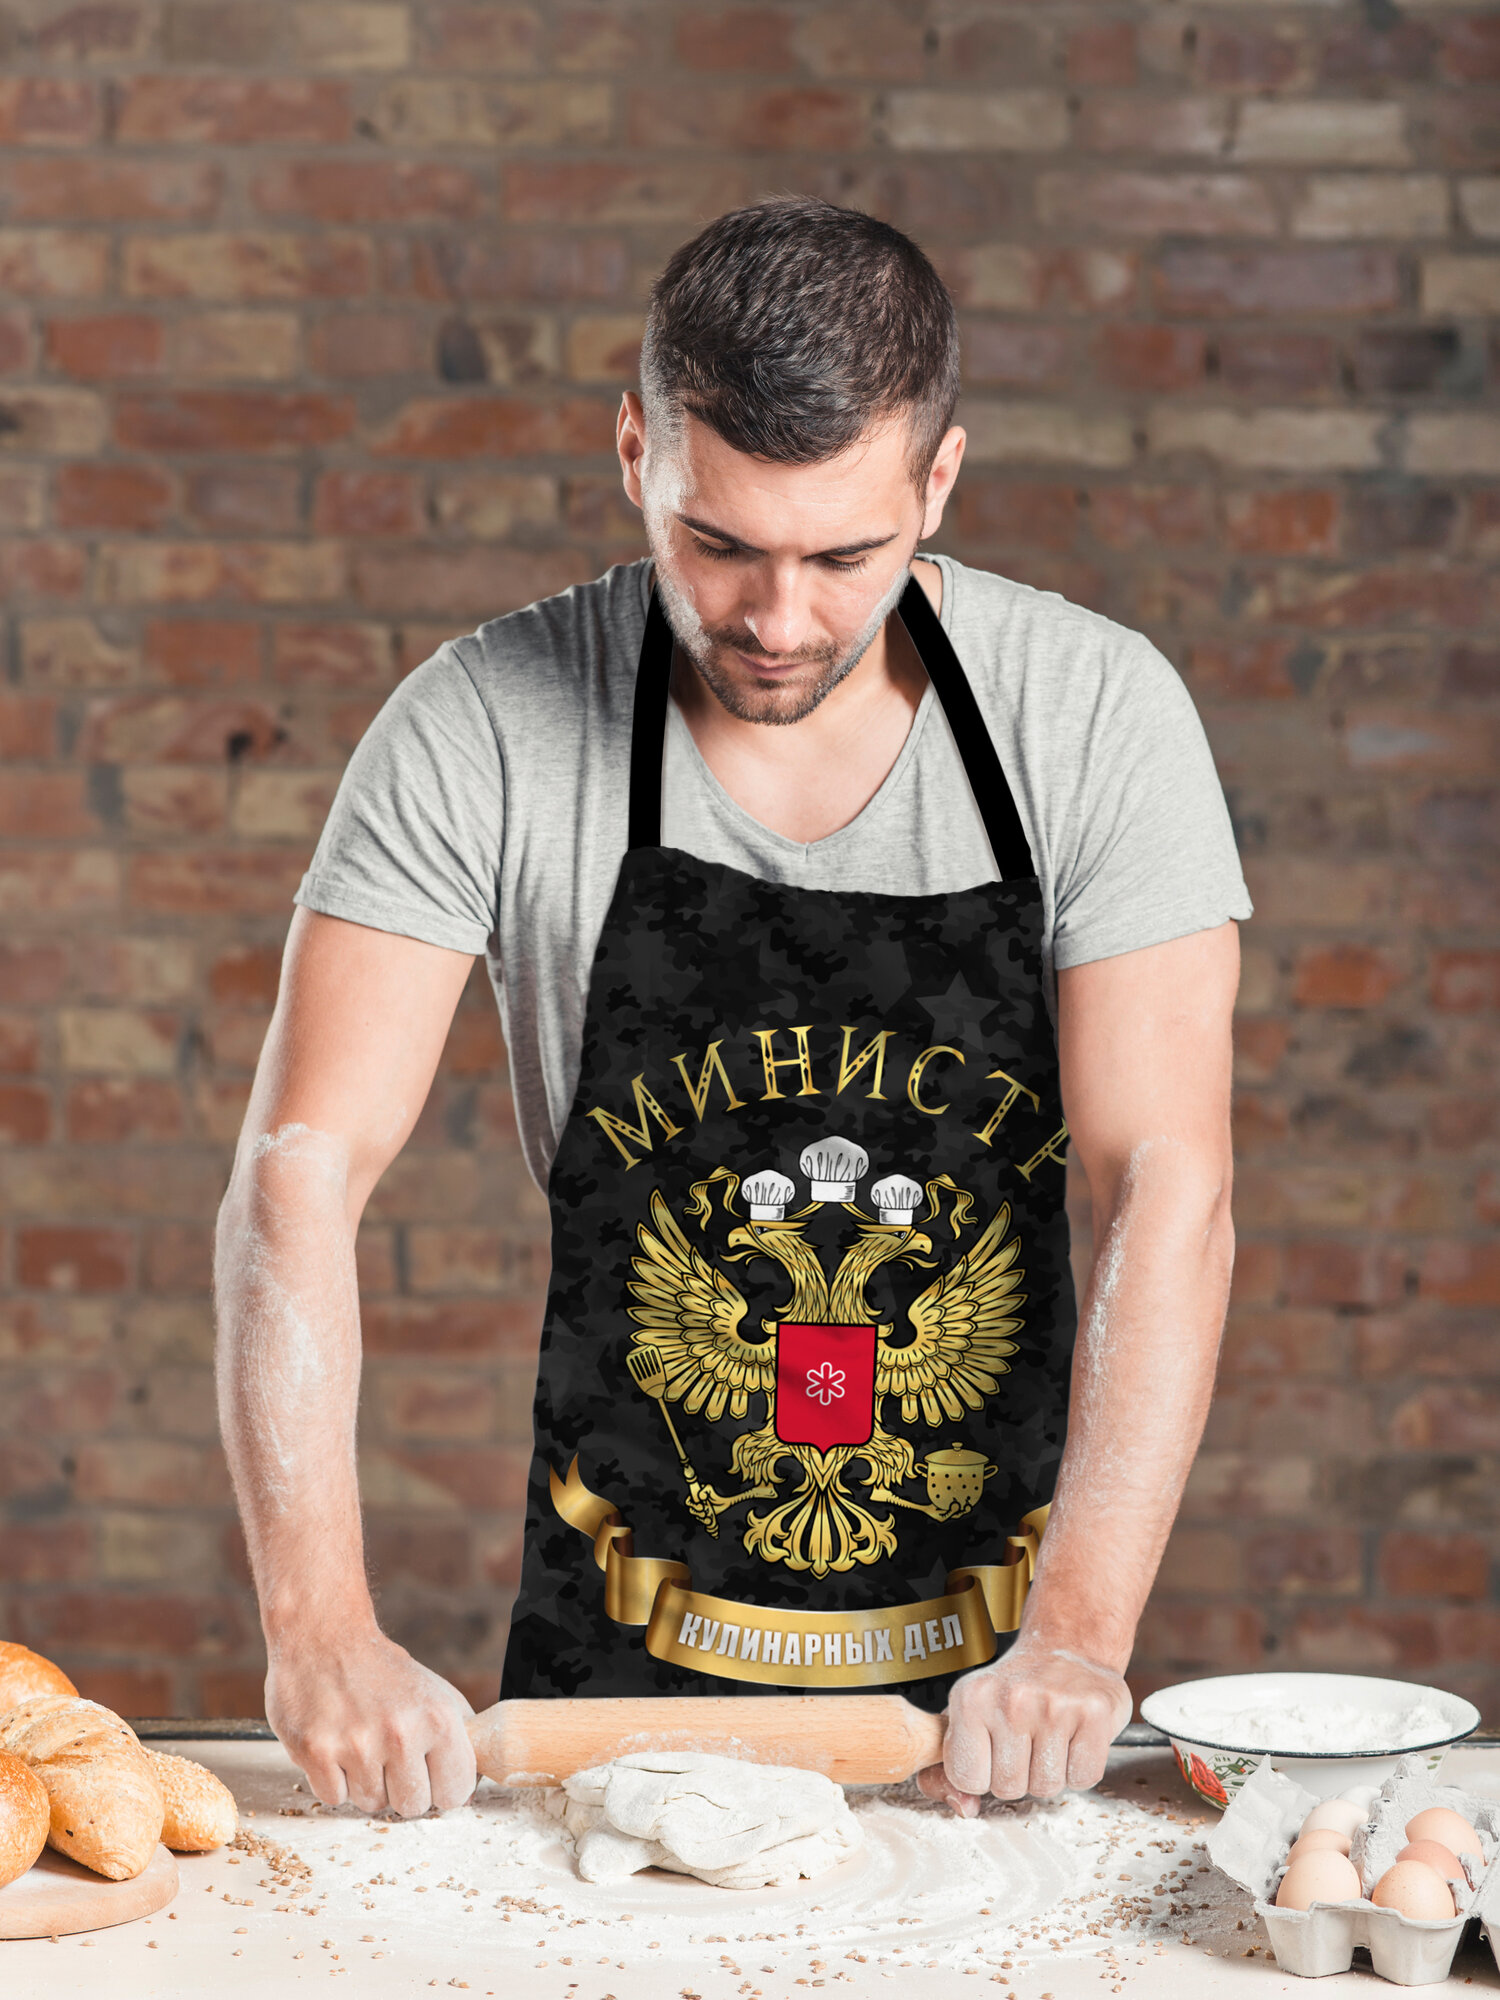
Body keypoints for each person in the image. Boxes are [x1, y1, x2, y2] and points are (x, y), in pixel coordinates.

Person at [215, 196, 1248, 1823]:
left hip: (996, 1712)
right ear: (637, 450)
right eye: (719, 545)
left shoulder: (1093, 718)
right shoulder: (479, 728)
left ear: (938, 484)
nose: (778, 620)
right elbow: (300, 1168)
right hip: (612, 1677)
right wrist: (319, 1630)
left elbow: (1165, 1189)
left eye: (844, 557)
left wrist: (1078, 1640)